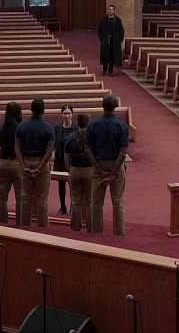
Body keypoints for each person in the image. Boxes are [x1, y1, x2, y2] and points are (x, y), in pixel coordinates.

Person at [85, 94, 129, 236]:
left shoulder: (93, 124)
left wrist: (99, 170)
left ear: (102, 106)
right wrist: (112, 174)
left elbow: (88, 149)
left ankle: (97, 232)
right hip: (117, 165)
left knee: (96, 202)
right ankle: (119, 233)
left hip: (98, 164)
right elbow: (123, 153)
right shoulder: (122, 125)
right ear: (116, 106)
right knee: (118, 202)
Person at [15, 98, 55, 227]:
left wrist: (23, 166)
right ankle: (43, 227)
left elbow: (17, 148)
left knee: (25, 197)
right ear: (43, 111)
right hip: (41, 162)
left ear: (31, 110)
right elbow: (49, 152)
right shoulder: (49, 128)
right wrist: (39, 168)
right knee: (42, 197)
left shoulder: (22, 126)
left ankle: (24, 226)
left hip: (26, 161)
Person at [0, 101, 23, 224]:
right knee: (20, 196)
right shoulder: (21, 128)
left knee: (2, 196)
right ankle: (21, 222)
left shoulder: (1, 128)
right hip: (17, 163)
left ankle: (2, 221)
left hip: (3, 162)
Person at [64, 113, 93, 232]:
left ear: (77, 123)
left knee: (75, 201)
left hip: (75, 170)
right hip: (89, 170)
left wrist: (70, 171)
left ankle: (75, 227)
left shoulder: (70, 138)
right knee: (90, 201)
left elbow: (66, 158)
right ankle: (91, 227)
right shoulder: (92, 138)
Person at [53, 104, 75, 215]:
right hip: (60, 160)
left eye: (69, 113)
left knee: (73, 185)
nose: (67, 116)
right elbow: (53, 143)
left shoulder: (76, 128)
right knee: (61, 185)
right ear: (61, 114)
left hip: (72, 161)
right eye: (65, 113)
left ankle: (73, 206)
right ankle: (62, 206)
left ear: (72, 114)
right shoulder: (57, 128)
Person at [97, 4, 124, 77]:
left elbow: (121, 31)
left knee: (112, 56)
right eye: (109, 9)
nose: (111, 11)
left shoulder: (117, 20)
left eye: (112, 9)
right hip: (106, 41)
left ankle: (110, 71)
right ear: (108, 10)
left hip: (114, 41)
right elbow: (100, 30)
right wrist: (102, 39)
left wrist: (119, 40)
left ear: (114, 11)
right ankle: (104, 71)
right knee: (105, 55)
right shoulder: (104, 19)